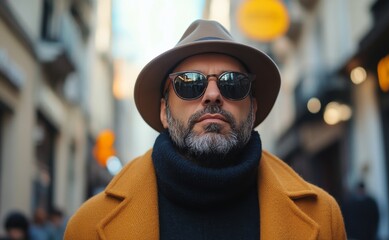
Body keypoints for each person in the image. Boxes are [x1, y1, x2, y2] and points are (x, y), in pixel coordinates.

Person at [65, 19, 346, 239]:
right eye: (190, 83)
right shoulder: (88, 225)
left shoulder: (323, 216)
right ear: (164, 110)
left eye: (232, 83)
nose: (212, 95)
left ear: (254, 108)